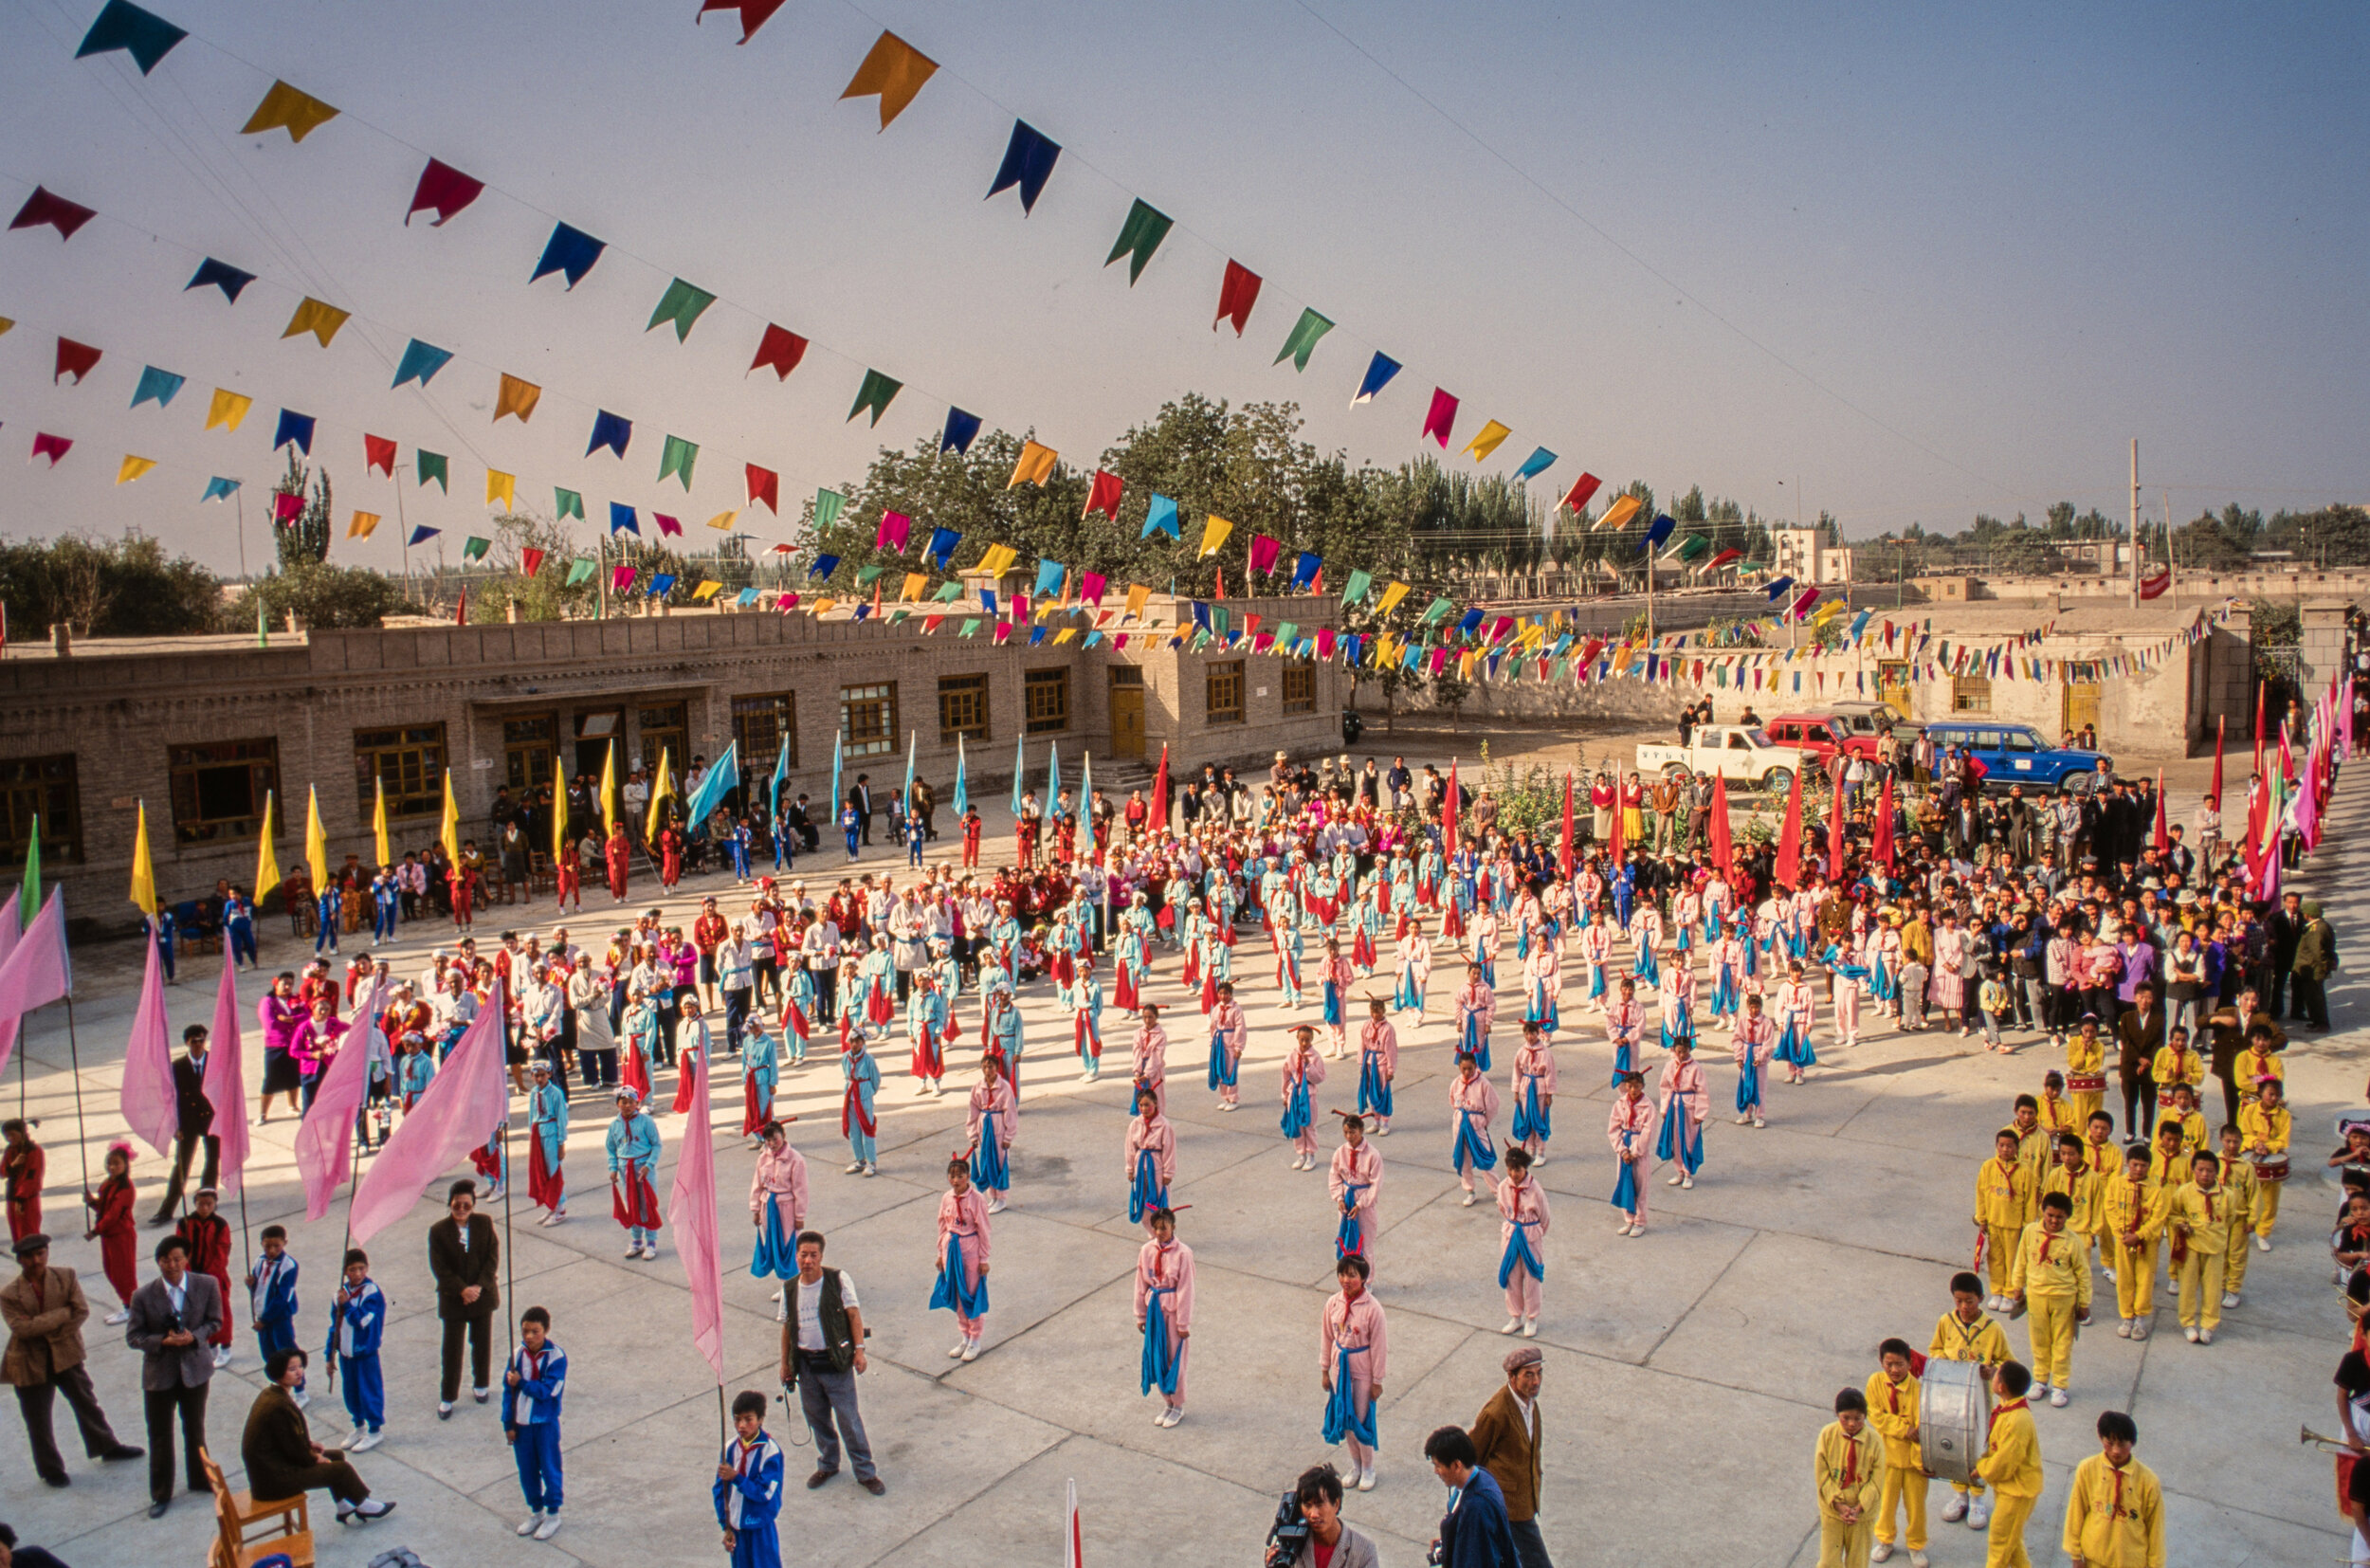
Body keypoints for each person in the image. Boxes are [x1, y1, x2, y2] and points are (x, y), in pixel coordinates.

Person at [3, 1232, 140, 1487]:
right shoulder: (10, 1294)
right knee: (38, 1419)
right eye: (30, 1256)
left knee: (87, 1403)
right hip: (29, 1362)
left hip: (66, 1355)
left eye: (40, 1254)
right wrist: (61, 1314)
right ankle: (50, 1469)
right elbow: (22, 1330)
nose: (36, 1261)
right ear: (20, 1260)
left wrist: (43, 1325)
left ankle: (106, 1446)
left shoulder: (65, 1276)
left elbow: (80, 1312)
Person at [776, 1231, 884, 1494]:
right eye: (804, 1255)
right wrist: (785, 1364)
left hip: (835, 1364)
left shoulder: (837, 1280)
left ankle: (865, 1471)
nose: (808, 1261)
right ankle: (828, 1463)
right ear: (797, 1257)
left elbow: (854, 1315)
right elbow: (787, 1328)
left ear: (821, 1256)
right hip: (807, 1366)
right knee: (817, 1418)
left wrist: (859, 1351)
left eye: (814, 1255)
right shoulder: (790, 1288)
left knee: (849, 1418)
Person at [125, 1232, 222, 1517]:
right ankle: (161, 1493)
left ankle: (200, 1479)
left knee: (195, 1429)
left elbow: (215, 1321)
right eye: (166, 1260)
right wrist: (162, 1342)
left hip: (195, 1369)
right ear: (158, 1262)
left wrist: (195, 1337)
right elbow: (134, 1337)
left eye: (177, 1259)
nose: (172, 1265)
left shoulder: (206, 1285)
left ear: (186, 1259)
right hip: (160, 1375)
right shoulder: (143, 1295)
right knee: (160, 1435)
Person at [241, 1348, 393, 1524]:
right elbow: (293, 1448)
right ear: (278, 1373)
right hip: (274, 1481)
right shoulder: (278, 1406)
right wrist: (313, 1457)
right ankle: (364, 1504)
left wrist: (309, 1445)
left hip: (275, 1468)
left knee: (336, 1455)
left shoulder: (272, 1395)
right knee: (340, 1469)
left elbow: (286, 1439)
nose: (299, 1372)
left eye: (300, 1367)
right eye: (292, 1369)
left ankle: (343, 1505)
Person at [1929, 1272, 2011, 1528]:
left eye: (1970, 1301)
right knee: (1955, 1443)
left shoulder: (1992, 1329)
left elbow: (2007, 1362)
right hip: (1952, 1398)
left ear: (1981, 1299)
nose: (1964, 1307)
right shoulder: (1946, 1322)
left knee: (1978, 1446)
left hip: (1979, 1399)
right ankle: (1960, 1495)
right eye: (1959, 1301)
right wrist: (1944, 1360)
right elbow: (1935, 1349)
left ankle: (1977, 1498)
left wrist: (1993, 1371)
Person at [2006, 1191, 2091, 1407]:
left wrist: (2084, 1303)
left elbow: (2083, 1273)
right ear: (2042, 1212)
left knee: (2062, 1344)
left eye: (2060, 1217)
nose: (2054, 1221)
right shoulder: (2030, 1232)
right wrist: (2017, 1285)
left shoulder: (2073, 1242)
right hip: (2036, 1296)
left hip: (2063, 1298)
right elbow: (2021, 1259)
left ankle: (2060, 1385)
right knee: (2039, 1340)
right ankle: (2041, 1379)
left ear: (2067, 1217)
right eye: (2050, 1215)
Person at [1469, 1345, 1551, 1568]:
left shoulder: (1529, 1403)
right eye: (1528, 1375)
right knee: (1537, 1560)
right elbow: (1473, 1456)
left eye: (1539, 1373)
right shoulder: (1496, 1412)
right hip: (1509, 1505)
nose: (1536, 1381)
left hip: (1525, 1499)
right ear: (1511, 1377)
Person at [427, 1179, 499, 1419]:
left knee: (482, 1344)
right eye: (457, 1204)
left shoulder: (484, 1224)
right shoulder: (438, 1231)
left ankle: (481, 1385)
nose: (461, 1209)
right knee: (452, 1350)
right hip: (454, 1300)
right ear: (450, 1204)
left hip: (481, 1297)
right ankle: (448, 1396)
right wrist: (462, 1290)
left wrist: (478, 1286)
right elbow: (440, 1267)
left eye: (466, 1204)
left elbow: (492, 1257)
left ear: (473, 1205)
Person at [2060, 1410, 2164, 1568]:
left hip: (2131, 1563)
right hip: (2093, 1558)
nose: (2116, 1450)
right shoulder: (2087, 1469)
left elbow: (2156, 1529)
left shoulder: (2148, 1481)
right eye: (2109, 1442)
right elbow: (2076, 1513)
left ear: (2133, 1442)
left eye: (2122, 1444)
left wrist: (2155, 1565)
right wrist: (2076, 1555)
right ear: (2100, 1438)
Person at [1322, 1254, 1386, 1490]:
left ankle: (1369, 1467)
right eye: (1342, 1274)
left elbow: (1379, 1347)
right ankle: (1356, 1465)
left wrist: (1377, 1380)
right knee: (1345, 1419)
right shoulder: (1333, 1304)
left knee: (1360, 1420)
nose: (1346, 1280)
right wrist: (1325, 1370)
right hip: (1340, 1366)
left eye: (1352, 1275)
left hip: (1361, 1368)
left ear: (1363, 1278)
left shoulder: (1373, 1309)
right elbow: (1327, 1338)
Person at [502, 1304, 567, 1541]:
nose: (529, 1337)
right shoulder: (517, 1354)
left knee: (549, 1468)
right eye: (525, 1331)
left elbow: (548, 1391)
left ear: (546, 1330)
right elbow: (506, 1393)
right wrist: (508, 1424)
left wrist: (522, 1383)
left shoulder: (557, 1358)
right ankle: (536, 1511)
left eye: (535, 1332)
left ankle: (553, 1513)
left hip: (544, 1423)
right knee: (527, 1471)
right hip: (522, 1425)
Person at [1972, 1361, 2042, 1568]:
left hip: (2018, 1491)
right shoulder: (2007, 1410)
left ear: (2001, 1386)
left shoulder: (2018, 1420)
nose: (1992, 1377)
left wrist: (1982, 1469)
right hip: (2009, 1488)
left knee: (2000, 1544)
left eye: (1995, 1376)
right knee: (2012, 1542)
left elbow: (2005, 1463)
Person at [150, 1025, 220, 1225]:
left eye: (201, 1040)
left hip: (210, 1118)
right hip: (188, 1121)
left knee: (212, 1161)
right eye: (194, 1041)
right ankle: (167, 1209)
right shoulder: (178, 1066)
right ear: (187, 1043)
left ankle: (208, 1200)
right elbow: (171, 1099)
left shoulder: (215, 1061)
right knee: (181, 1165)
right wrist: (174, 1126)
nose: (198, 1045)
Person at [1425, 1423, 1520, 1568]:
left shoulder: (1476, 1508)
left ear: (1457, 1465)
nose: (1436, 1472)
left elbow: (1475, 1560)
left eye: (1438, 1466)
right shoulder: (1482, 1475)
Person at [1865, 1340, 1925, 1566]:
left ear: (1910, 1364)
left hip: (1913, 1462)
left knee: (1916, 1507)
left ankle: (1916, 1545)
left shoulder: (1919, 1390)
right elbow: (1875, 1415)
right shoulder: (1875, 1383)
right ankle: (1885, 1540)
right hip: (1886, 1458)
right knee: (1886, 1504)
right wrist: (1903, 1429)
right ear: (1881, 1362)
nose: (1894, 1370)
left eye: (1899, 1364)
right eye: (1889, 1364)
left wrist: (1921, 1461)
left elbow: (1921, 1430)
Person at [1134, 1205, 1194, 1427]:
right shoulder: (1146, 1250)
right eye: (1156, 1228)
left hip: (1173, 1311)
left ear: (1173, 1227)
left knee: (1174, 1359)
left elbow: (1186, 1289)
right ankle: (1167, 1403)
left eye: (1164, 1228)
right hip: (1155, 1310)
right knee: (1157, 1357)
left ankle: (1178, 1405)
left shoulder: (1183, 1254)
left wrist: (1183, 1322)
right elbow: (1140, 1283)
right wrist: (1141, 1314)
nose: (1160, 1232)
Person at [928, 1158, 992, 1361]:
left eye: (960, 1176)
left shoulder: (977, 1199)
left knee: (970, 1295)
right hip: (951, 1248)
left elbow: (984, 1230)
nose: (956, 1180)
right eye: (952, 1176)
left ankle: (975, 1340)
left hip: (969, 1247)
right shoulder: (946, 1198)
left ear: (968, 1177)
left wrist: (983, 1259)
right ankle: (964, 1336)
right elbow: (942, 1225)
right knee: (956, 1294)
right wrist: (940, 1253)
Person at [715, 1388, 785, 1568]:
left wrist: (737, 1478)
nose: (741, 1426)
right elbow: (720, 1491)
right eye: (737, 1419)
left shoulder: (770, 1452)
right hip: (737, 1528)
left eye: (748, 1420)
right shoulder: (730, 1448)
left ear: (761, 1419)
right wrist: (726, 1525)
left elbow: (764, 1492)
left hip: (759, 1527)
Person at [1814, 1387, 1883, 1568]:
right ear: (1837, 1414)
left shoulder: (1875, 1441)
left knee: (1858, 1562)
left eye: (1858, 1419)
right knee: (1828, 1561)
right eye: (1846, 1418)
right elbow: (1822, 1475)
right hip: (1833, 1512)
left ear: (1865, 1417)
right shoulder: (1827, 1435)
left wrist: (1858, 1508)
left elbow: (1877, 1481)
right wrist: (1838, 1505)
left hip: (1862, 1514)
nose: (1852, 1424)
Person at [331, 1248, 386, 1449]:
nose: (357, 1274)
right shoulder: (340, 1294)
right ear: (345, 1271)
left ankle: (375, 1430)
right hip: (347, 1354)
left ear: (367, 1268)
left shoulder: (372, 1293)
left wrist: (348, 1306)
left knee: (369, 1390)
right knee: (351, 1392)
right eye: (352, 1269)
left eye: (361, 1269)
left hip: (365, 1353)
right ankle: (358, 1426)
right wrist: (331, 1354)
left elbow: (362, 1321)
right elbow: (334, 1326)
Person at [1279, 1463, 1381, 1568]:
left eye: (1320, 1505)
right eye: (1307, 1506)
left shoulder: (1364, 1551)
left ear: (1336, 1504)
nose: (1313, 1514)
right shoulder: (1292, 1543)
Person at [607, 1086, 665, 1261]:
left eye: (631, 1102)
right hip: (626, 1169)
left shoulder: (646, 1122)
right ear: (618, 1104)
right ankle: (636, 1240)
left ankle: (652, 1242)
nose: (627, 1106)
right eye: (623, 1102)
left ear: (637, 1103)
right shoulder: (614, 1126)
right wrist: (613, 1168)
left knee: (647, 1205)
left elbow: (656, 1145)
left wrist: (649, 1164)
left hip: (643, 1169)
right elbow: (611, 1148)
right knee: (632, 1204)